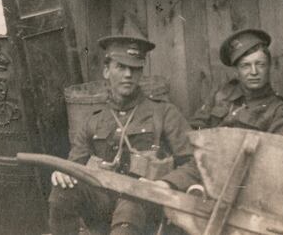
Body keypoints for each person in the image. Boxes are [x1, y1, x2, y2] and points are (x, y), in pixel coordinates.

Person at [48, 36, 200, 235]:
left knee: (131, 202)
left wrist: (164, 183)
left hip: (147, 205)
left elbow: (196, 164)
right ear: (106, 71)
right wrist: (64, 172)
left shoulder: (164, 113)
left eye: (135, 69)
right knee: (62, 191)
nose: (128, 74)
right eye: (121, 67)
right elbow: (74, 165)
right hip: (103, 204)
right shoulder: (94, 120)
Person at [190, 29, 283, 135]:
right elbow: (196, 127)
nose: (254, 72)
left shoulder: (281, 112)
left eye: (260, 64)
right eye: (245, 66)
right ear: (236, 71)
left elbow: (276, 150)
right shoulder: (221, 94)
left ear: (269, 67)